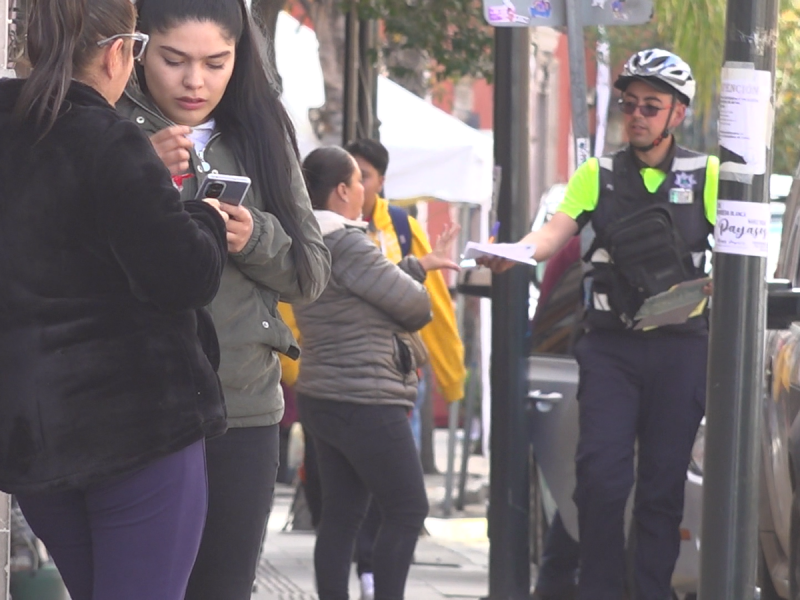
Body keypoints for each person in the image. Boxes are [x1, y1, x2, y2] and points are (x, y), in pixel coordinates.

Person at [0, 0, 230, 598]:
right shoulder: (108, 140)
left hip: (31, 432)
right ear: (117, 51)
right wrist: (203, 215)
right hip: (136, 425)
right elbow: (181, 275)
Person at [482, 49, 718, 600]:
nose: (636, 115)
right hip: (612, 348)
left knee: (662, 490)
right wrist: (516, 251)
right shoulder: (598, 175)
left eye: (651, 107)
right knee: (600, 481)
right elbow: (552, 233)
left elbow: (738, 257)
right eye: (629, 104)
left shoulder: (706, 175)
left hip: (681, 348)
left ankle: (652, 592)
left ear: (677, 114)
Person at [117, 1, 331, 598]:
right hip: (131, 405)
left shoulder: (261, 129)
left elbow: (312, 272)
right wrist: (134, 173)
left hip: (241, 408)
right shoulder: (104, 123)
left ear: (240, 58)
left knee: (222, 586)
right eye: (173, 60)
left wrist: (253, 235)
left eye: (216, 63)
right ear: (136, 50)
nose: (195, 81)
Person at [296, 146, 460, 600]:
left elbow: (366, 287)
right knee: (408, 509)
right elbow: (413, 305)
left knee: (341, 517)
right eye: (360, 181)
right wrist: (416, 281)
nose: (366, 190)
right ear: (343, 190)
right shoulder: (347, 240)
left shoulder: (310, 240)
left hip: (324, 394)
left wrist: (417, 266)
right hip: (365, 396)